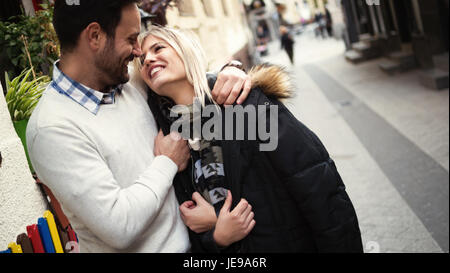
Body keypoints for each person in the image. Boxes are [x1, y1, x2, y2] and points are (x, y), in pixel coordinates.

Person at [26, 0, 252, 253]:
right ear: (95, 36)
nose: (138, 52)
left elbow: (184, 76)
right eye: (132, 38)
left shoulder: (128, 83)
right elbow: (119, 227)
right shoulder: (51, 128)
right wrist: (166, 162)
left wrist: (231, 71)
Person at [135, 25, 364, 253]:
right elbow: (191, 234)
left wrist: (217, 219)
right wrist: (217, 238)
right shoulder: (171, 142)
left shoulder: (243, 104)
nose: (148, 60)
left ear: (185, 49)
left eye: (158, 48)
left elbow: (315, 183)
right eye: (142, 58)